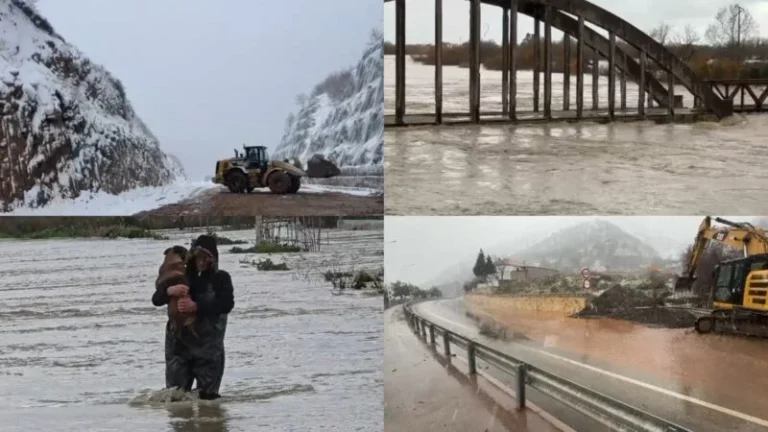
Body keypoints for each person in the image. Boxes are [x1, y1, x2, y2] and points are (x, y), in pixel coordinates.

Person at [152, 234, 234, 400]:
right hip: (179, 346)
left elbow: (226, 304)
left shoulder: (221, 278)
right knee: (175, 397)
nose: (202, 262)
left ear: (214, 260)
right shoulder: (181, 276)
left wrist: (196, 307)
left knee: (209, 400)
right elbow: (156, 300)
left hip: (209, 349)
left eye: (206, 259)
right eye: (199, 258)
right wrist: (169, 291)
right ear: (192, 258)